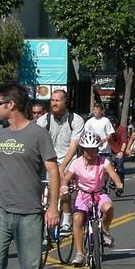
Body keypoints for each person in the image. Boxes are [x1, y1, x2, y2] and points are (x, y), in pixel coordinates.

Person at [0, 82, 60, 269]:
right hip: (0, 211)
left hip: (29, 214)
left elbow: (53, 171)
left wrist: (53, 207)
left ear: (10, 105)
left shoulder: (38, 134)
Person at [63, 132, 124, 266]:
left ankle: (105, 231)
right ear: (83, 150)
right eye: (88, 149)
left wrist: (118, 184)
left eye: (94, 149)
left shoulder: (103, 161)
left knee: (109, 207)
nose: (91, 152)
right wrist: (64, 186)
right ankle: (79, 254)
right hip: (82, 195)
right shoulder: (76, 163)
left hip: (98, 193)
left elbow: (112, 173)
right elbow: (67, 177)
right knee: (77, 218)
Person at [35, 89, 85, 235]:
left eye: (57, 100)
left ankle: (67, 220)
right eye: (52, 100)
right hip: (48, 160)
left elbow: (74, 146)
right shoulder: (43, 120)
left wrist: (62, 168)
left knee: (63, 189)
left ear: (65, 102)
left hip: (67, 160)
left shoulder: (75, 120)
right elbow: (36, 143)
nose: (54, 103)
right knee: (45, 191)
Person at [107, 116, 127, 183]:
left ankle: (120, 182)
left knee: (119, 168)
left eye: (113, 124)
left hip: (119, 151)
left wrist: (121, 152)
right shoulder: (106, 130)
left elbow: (124, 142)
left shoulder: (121, 129)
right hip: (108, 151)